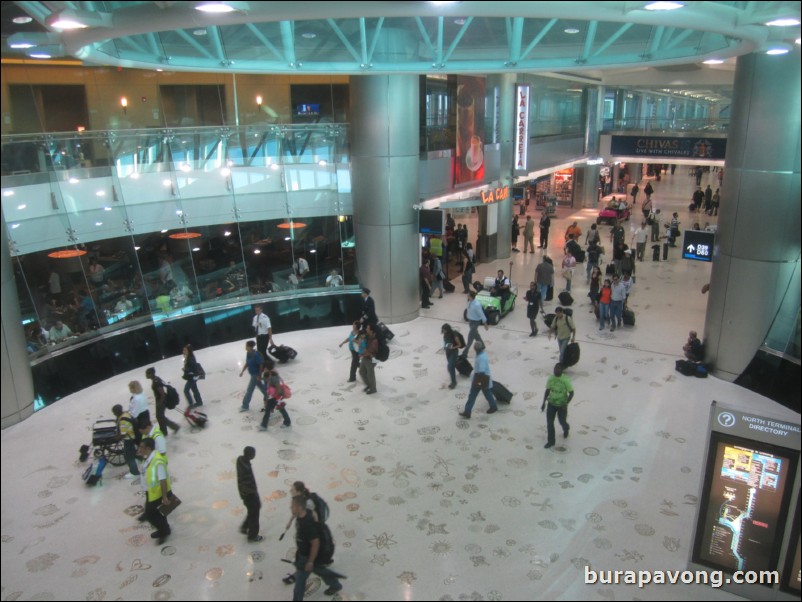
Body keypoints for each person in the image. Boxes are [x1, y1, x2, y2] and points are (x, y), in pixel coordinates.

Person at [289, 495, 343, 601]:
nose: (290, 508)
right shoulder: (302, 516)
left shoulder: (307, 525)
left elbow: (315, 543)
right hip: (305, 555)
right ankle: (336, 585)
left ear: (300, 507)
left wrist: (310, 562)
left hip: (308, 557)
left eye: (292, 506)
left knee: (300, 581)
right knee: (320, 571)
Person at [139, 437, 176, 545]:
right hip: (151, 492)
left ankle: (164, 531)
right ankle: (165, 529)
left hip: (158, 494)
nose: (139, 449)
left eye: (142, 447)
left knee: (150, 514)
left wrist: (164, 497)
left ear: (148, 448)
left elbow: (162, 480)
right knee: (158, 513)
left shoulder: (157, 461)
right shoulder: (148, 458)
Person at [458, 342, 498, 419]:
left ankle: (468, 411)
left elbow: (481, 371)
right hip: (481, 379)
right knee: (483, 394)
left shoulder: (481, 358)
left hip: (481, 379)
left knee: (477, 395)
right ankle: (468, 411)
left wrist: (477, 381)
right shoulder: (481, 354)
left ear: (475, 349)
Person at [541, 363, 574, 449]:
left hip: (562, 405)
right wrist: (544, 402)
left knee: (562, 421)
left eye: (558, 369)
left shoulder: (565, 380)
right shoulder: (551, 378)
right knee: (549, 423)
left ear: (561, 371)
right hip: (551, 403)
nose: (555, 370)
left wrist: (566, 403)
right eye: (555, 368)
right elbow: (547, 390)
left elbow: (571, 393)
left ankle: (566, 428)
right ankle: (551, 441)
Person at [237, 446, 263, 542]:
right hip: (249, 495)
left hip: (245, 494)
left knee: (253, 510)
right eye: (253, 454)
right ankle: (253, 536)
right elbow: (248, 484)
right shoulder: (246, 468)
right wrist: (254, 493)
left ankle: (245, 526)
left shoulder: (240, 460)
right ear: (250, 455)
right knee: (254, 514)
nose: (255, 455)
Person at [145, 367, 180, 435]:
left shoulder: (156, 382)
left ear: (151, 374)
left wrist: (160, 403)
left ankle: (172, 428)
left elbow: (162, 393)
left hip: (161, 400)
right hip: (161, 400)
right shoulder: (156, 379)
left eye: (147, 374)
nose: (146, 375)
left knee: (160, 416)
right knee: (160, 416)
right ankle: (167, 430)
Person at [112, 404, 140, 479]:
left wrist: (114, 438)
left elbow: (123, 434)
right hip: (134, 436)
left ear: (117, 412)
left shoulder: (122, 421)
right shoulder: (126, 414)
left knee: (129, 457)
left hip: (129, 440)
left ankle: (134, 472)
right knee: (134, 453)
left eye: (114, 412)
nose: (114, 414)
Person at [239, 340, 267, 412]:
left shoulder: (256, 354)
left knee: (249, 390)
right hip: (252, 374)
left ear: (250, 347)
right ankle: (269, 394)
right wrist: (242, 371)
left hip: (255, 375)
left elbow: (261, 364)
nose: (245, 347)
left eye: (246, 346)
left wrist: (259, 375)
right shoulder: (248, 353)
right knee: (261, 387)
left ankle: (245, 406)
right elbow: (247, 363)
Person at [461, 291, 489, 358]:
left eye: (468, 296)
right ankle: (482, 345)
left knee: (470, 337)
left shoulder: (477, 305)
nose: (467, 297)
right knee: (475, 334)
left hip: (476, 322)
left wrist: (485, 323)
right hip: (470, 321)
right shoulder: (469, 302)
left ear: (471, 297)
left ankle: (465, 353)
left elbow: (481, 314)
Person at [441, 323, 464, 388]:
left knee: (450, 366)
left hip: (453, 352)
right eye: (443, 330)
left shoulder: (454, 335)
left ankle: (454, 382)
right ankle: (454, 378)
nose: (443, 331)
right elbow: (446, 342)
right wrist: (445, 347)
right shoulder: (445, 334)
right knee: (451, 366)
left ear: (448, 329)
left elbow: (459, 345)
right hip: (448, 352)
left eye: (444, 330)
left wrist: (452, 347)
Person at [182, 344, 203, 408]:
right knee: (194, 389)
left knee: (186, 390)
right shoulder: (188, 357)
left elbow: (193, 368)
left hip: (193, 376)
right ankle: (199, 402)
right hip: (193, 376)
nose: (183, 351)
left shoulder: (190, 358)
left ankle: (191, 404)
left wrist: (186, 369)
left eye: (185, 350)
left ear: (188, 350)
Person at [359, 323, 378, 395]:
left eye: (367, 328)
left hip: (371, 359)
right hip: (365, 357)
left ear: (372, 331)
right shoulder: (367, 336)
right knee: (361, 371)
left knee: (370, 374)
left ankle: (373, 389)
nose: (366, 329)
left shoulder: (374, 341)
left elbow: (369, 352)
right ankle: (369, 385)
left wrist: (361, 352)